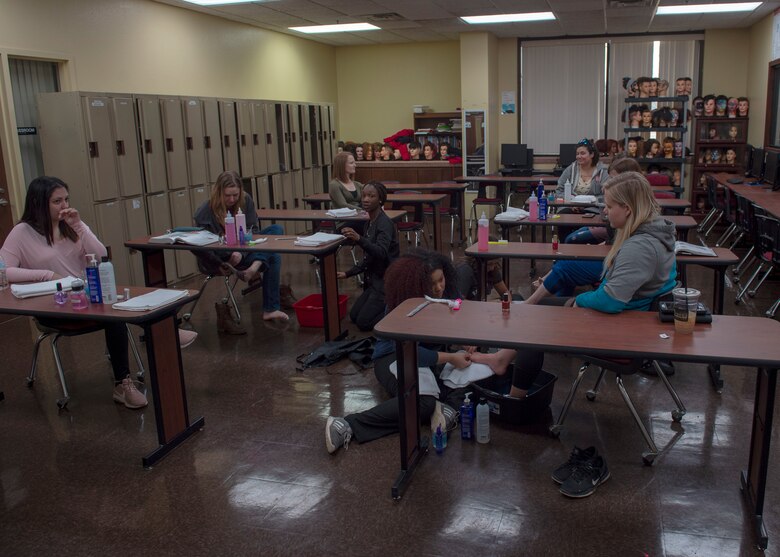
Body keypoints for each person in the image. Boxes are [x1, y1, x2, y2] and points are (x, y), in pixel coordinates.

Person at [473, 171, 677, 397]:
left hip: (622, 328)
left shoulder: (639, 247)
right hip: (632, 320)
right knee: (537, 309)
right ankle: (501, 359)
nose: (604, 211)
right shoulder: (656, 235)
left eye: (609, 206)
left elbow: (610, 301)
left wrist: (579, 300)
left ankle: (514, 401)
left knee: (532, 321)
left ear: (627, 209)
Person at [0, 176, 150, 409]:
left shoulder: (71, 225)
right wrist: (46, 275)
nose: (64, 206)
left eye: (66, 199)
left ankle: (123, 382)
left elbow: (100, 255)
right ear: (38, 203)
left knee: (114, 311)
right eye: (57, 201)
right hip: (53, 305)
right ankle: (154, 335)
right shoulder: (22, 232)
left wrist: (79, 225)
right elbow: (3, 270)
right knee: (113, 313)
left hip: (84, 298)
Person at [325, 249, 471, 453]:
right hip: (394, 358)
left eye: (441, 280)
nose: (439, 288)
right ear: (417, 285)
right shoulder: (403, 307)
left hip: (426, 358)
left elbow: (458, 318)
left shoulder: (446, 294)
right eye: (432, 284)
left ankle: (446, 409)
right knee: (423, 403)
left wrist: (466, 342)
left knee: (471, 373)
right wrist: (452, 358)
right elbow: (413, 354)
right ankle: (347, 424)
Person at [526, 157, 641, 302]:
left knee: (566, 263)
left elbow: (620, 248)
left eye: (613, 178)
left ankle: (536, 300)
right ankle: (557, 293)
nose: (609, 182)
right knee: (567, 255)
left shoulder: (632, 214)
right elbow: (613, 240)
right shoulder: (626, 207)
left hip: (614, 262)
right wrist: (593, 249)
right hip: (612, 255)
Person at [193, 170, 288, 329]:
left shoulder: (245, 200)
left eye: (235, 195)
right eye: (227, 195)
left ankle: (254, 268)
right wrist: (220, 263)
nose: (232, 199)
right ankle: (270, 309)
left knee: (276, 229)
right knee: (273, 256)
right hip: (220, 259)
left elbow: (253, 231)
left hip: (243, 251)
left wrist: (241, 252)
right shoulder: (204, 211)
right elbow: (202, 247)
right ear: (219, 192)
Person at [337, 182, 399, 331]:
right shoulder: (369, 223)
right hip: (374, 281)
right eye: (364, 195)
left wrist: (359, 239)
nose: (366, 199)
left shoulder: (384, 223)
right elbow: (369, 257)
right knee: (354, 316)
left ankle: (396, 311)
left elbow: (381, 253)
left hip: (385, 281)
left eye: (371, 196)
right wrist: (348, 273)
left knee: (363, 323)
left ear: (380, 199)